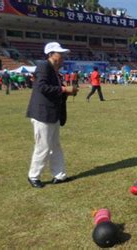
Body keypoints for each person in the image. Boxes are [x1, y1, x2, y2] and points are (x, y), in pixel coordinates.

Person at [26, 42, 78, 188]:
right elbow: (41, 87)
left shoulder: (54, 70)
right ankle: (33, 176)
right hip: (43, 113)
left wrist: (68, 91)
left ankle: (59, 175)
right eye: (59, 54)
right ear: (50, 54)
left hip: (52, 113)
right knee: (43, 146)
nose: (62, 57)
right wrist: (63, 89)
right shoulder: (44, 66)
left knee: (55, 146)